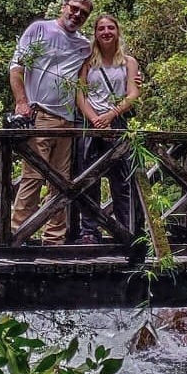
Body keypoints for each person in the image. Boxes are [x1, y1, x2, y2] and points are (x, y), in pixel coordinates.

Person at [9, 0, 94, 245]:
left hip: (67, 121)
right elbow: (16, 67)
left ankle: (54, 239)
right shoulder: (39, 29)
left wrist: (133, 75)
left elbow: (102, 68)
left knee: (60, 183)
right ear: (64, 6)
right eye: (74, 8)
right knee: (32, 178)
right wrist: (21, 102)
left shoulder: (84, 45)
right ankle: (18, 235)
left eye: (83, 13)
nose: (77, 15)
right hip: (40, 115)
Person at [75, 14, 142, 244]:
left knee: (122, 179)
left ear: (117, 31)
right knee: (88, 179)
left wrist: (111, 115)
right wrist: (95, 119)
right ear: (95, 33)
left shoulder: (129, 62)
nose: (106, 32)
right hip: (90, 124)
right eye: (101, 28)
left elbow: (133, 93)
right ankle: (89, 232)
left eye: (110, 28)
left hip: (118, 123)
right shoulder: (87, 62)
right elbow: (80, 94)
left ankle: (125, 231)